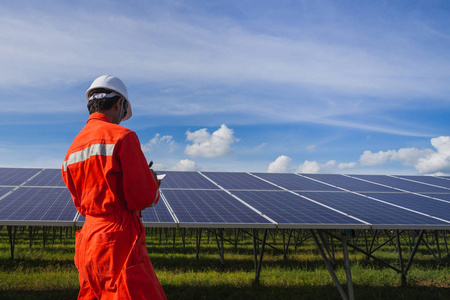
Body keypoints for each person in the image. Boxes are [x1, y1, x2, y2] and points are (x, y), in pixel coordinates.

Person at [62, 75, 166, 299]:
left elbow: (79, 202)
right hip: (118, 242)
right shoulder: (123, 137)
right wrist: (152, 183)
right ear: (119, 104)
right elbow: (142, 197)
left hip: (88, 240)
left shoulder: (73, 149)